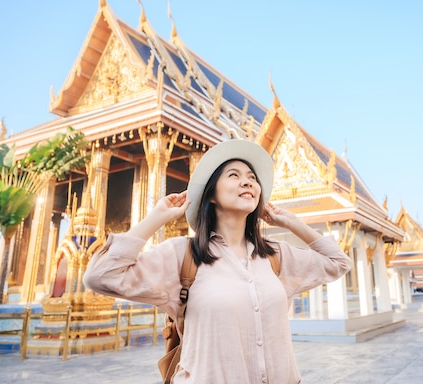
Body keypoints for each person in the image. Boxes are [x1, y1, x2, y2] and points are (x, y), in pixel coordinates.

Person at [83, 139, 352, 383]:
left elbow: (338, 262)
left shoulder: (274, 256)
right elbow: (100, 276)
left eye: (252, 178)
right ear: (211, 194)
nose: (247, 182)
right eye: (234, 175)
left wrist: (293, 222)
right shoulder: (183, 256)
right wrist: (155, 218)